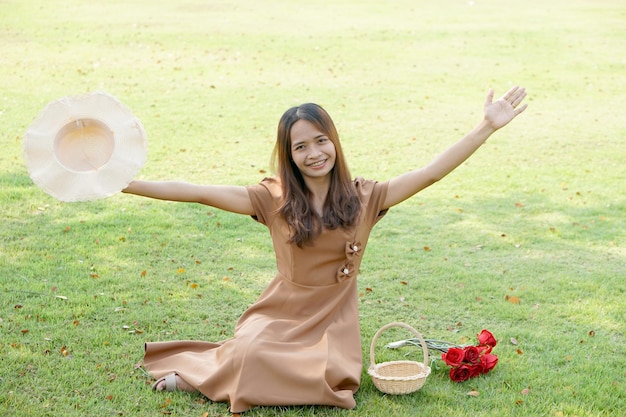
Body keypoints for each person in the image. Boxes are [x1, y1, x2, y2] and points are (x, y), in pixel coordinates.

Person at [122, 86, 528, 413]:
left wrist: (485, 127)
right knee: (250, 351)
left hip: (333, 317)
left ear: (334, 142)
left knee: (335, 379)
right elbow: (198, 194)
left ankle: (238, 372)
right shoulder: (272, 198)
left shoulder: (366, 196)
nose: (314, 153)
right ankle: (200, 375)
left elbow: (431, 173)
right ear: (290, 155)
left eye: (321, 141)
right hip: (281, 312)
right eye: (301, 147)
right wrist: (124, 183)